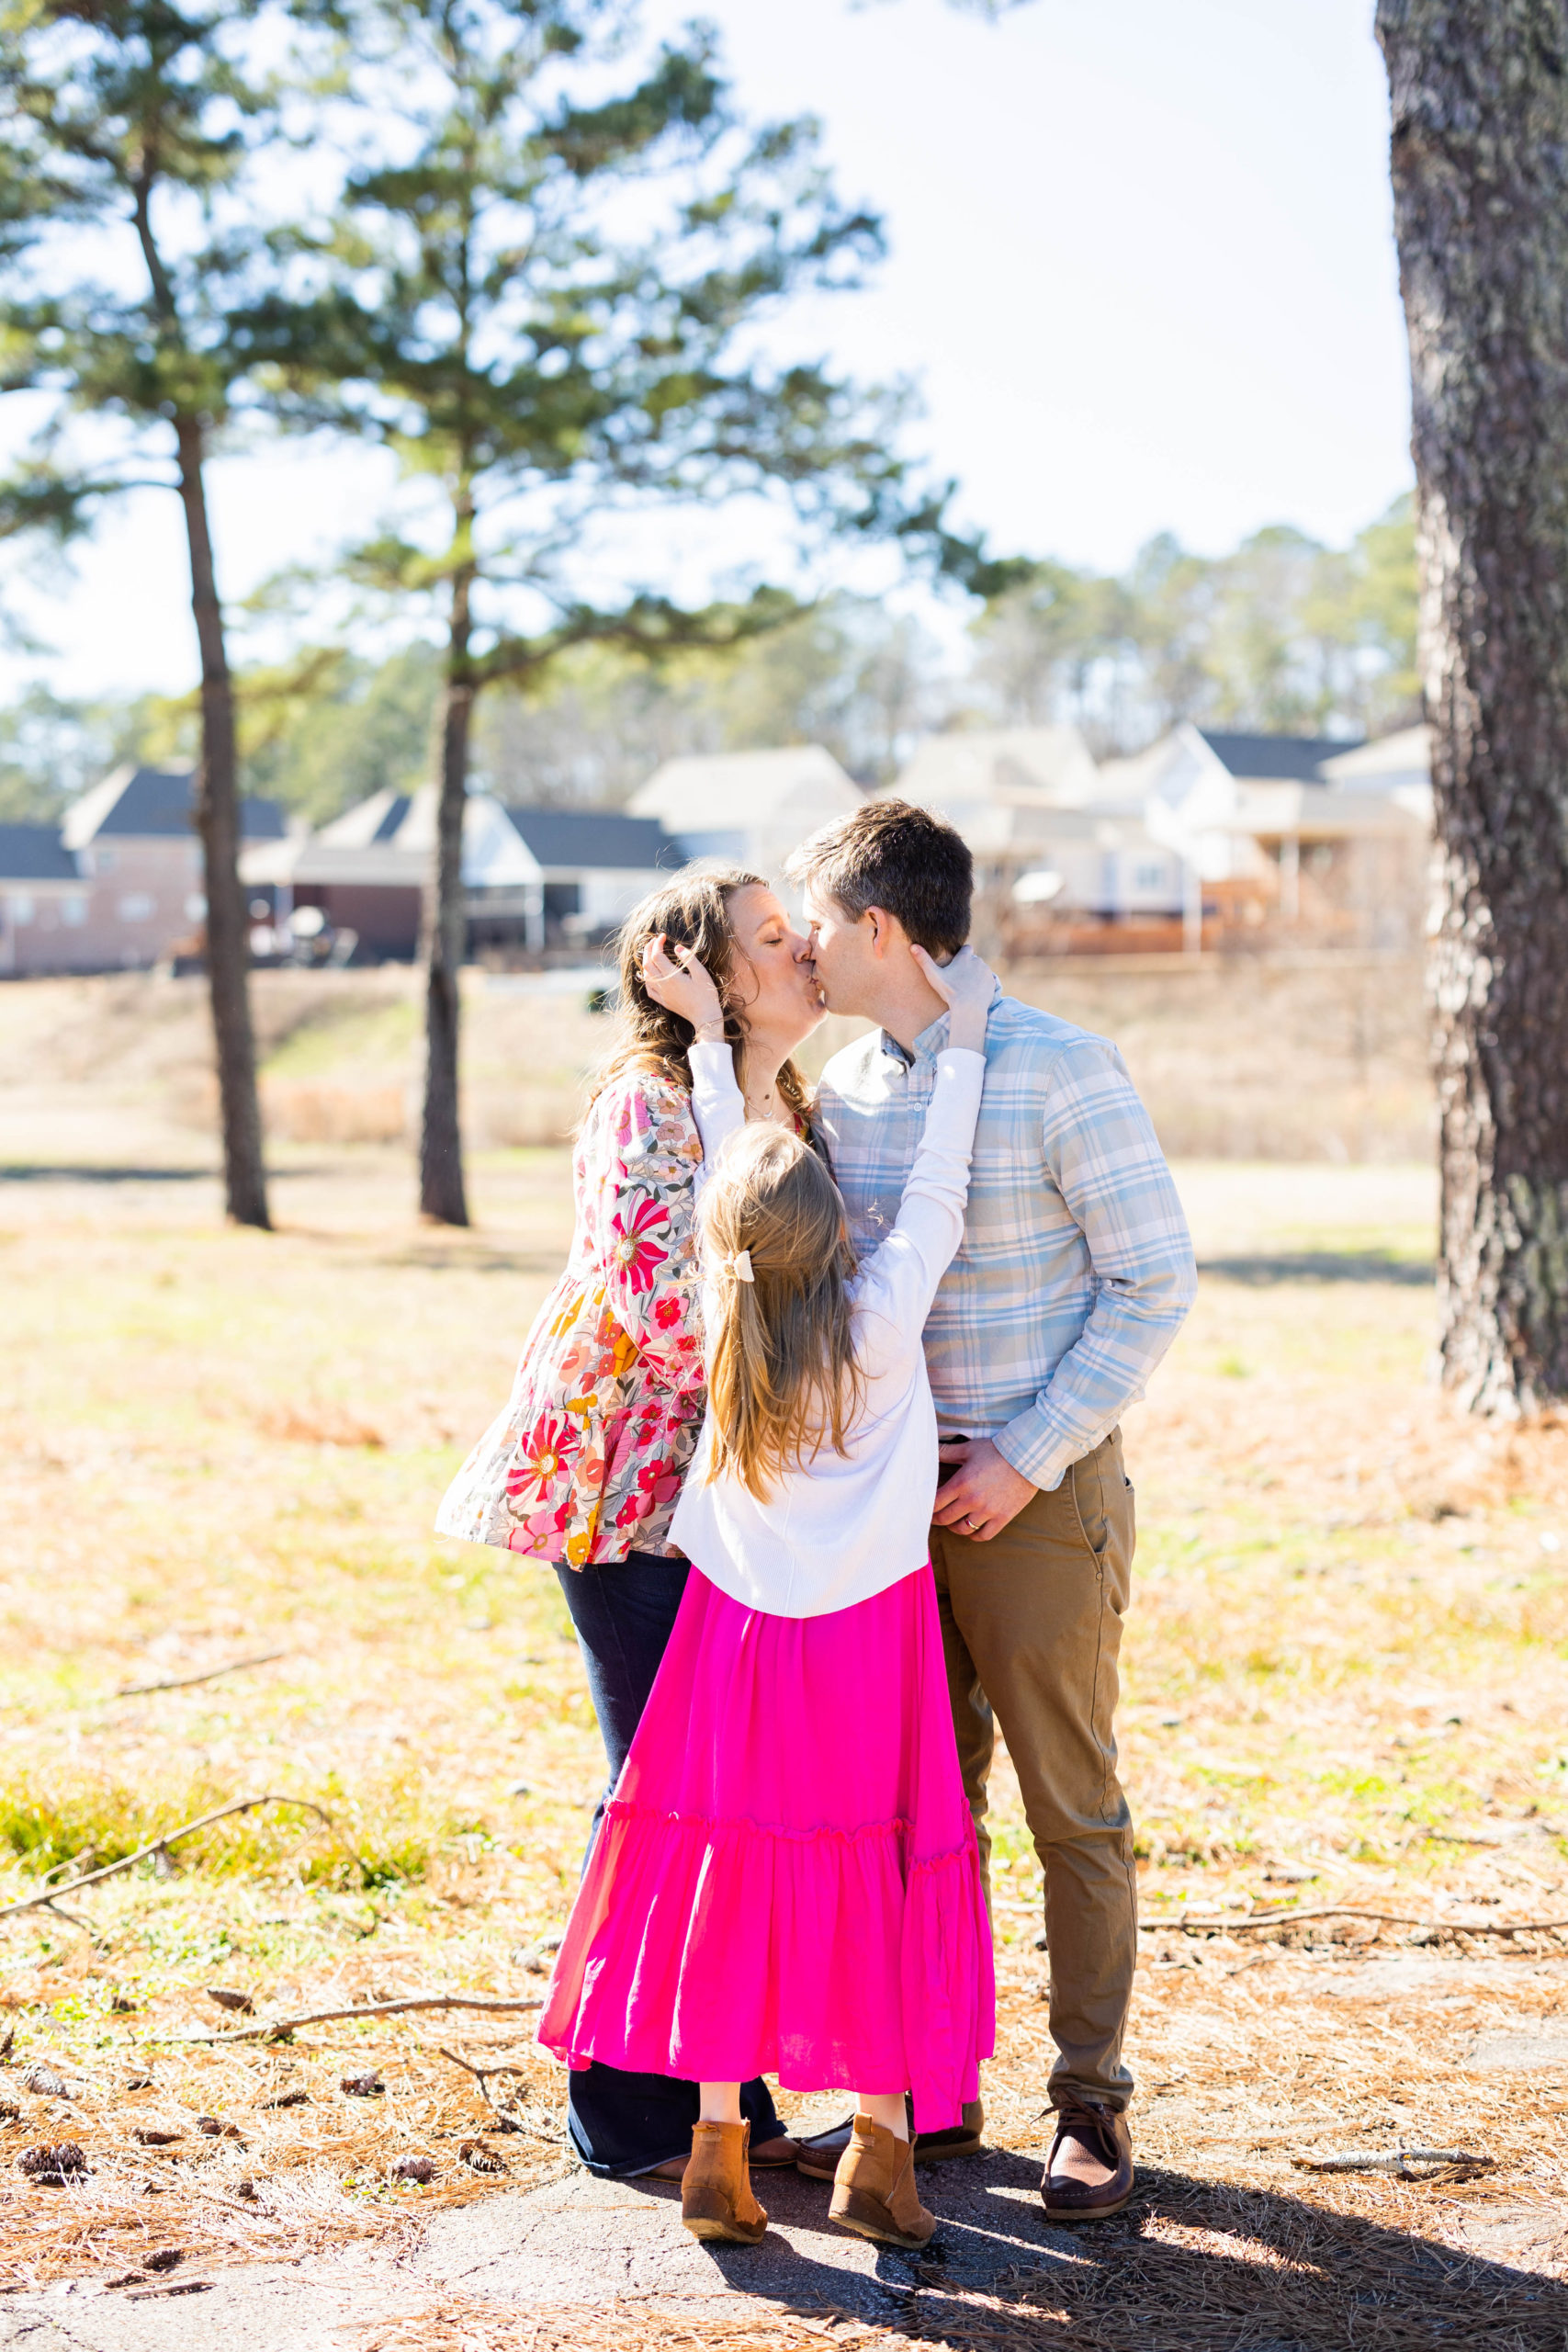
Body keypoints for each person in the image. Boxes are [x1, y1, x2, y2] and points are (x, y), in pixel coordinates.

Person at [538, 935, 998, 2251]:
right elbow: (944, 1194)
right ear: (840, 1227)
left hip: (733, 1645)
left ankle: (719, 2150)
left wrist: (696, 1044)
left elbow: (730, 1181)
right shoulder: (881, 1322)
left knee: (732, 1880)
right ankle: (876, 2151)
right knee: (875, 1876)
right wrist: (959, 1042)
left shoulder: (720, 1320)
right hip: (870, 1643)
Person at [785, 799, 1197, 2223]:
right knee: (916, 1806)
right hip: (891, 1509)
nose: (806, 947)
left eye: (820, 925)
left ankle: (1091, 2107)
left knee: (1067, 1807)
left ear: (882, 929)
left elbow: (1156, 1282)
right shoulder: (847, 1093)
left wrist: (1022, 1457)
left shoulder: (1062, 1069)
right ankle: (923, 2092)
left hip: (1037, 1495)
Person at [435, 866, 825, 2182]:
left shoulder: (785, 1100)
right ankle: (624, 2108)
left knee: (725, 1789)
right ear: (698, 974)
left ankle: (727, 2095)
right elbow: (665, 1307)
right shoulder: (644, 1104)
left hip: (728, 1505)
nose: (806, 947)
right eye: (773, 938)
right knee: (659, 1789)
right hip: (628, 1496)